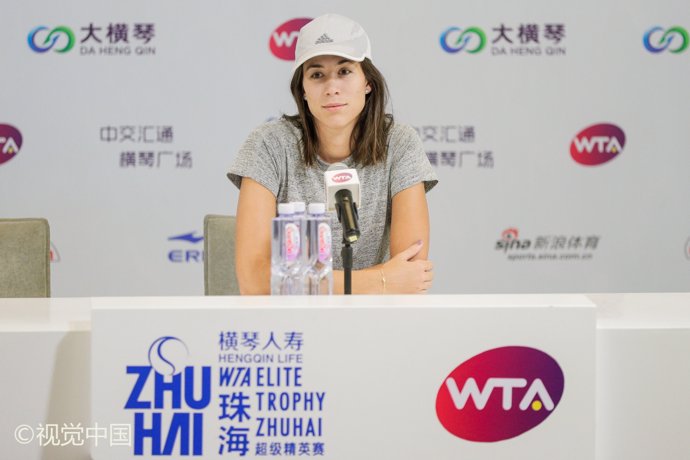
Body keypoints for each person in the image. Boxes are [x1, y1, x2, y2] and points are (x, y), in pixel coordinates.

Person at [228, 13, 438, 295]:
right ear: (302, 90)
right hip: (292, 326)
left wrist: (299, 282)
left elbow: (411, 274)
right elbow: (254, 280)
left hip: (375, 322)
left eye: (344, 71)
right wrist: (381, 280)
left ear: (368, 82)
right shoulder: (268, 144)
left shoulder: (399, 143)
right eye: (317, 75)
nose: (332, 88)